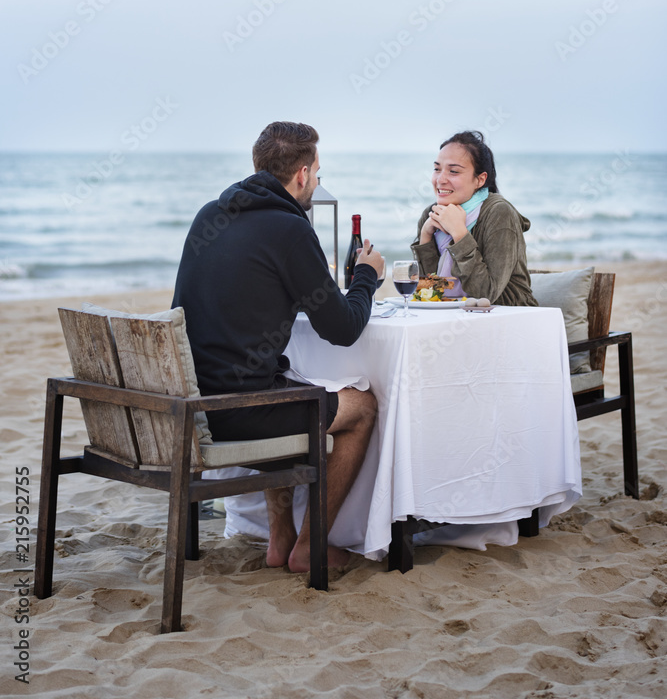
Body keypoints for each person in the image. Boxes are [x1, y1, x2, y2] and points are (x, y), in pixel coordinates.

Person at [172, 121, 384, 572]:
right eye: (318, 174)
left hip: (193, 402)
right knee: (361, 407)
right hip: (238, 413)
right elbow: (343, 329)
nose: (316, 183)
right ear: (302, 175)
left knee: (282, 382)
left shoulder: (210, 214)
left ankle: (281, 537)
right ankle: (311, 545)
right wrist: (367, 275)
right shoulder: (290, 229)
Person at [411, 130, 537, 306]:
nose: (441, 179)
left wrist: (460, 234)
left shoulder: (499, 213)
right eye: (437, 169)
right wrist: (425, 238)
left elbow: (486, 294)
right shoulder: (431, 215)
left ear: (480, 179)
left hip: (506, 317)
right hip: (454, 315)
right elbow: (430, 293)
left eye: (453, 171)